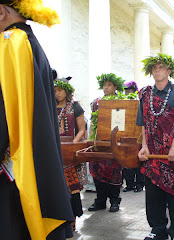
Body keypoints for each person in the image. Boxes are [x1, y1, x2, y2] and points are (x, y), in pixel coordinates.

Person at [0, 1, 74, 239]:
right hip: (33, 159)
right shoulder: (32, 45)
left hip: (12, 168)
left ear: (1, 12)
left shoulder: (10, 43)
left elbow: (3, 109)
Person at [137, 53, 174, 240]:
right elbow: (143, 122)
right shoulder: (145, 94)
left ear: (169, 71)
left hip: (173, 152)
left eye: (161, 67)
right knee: (153, 194)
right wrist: (144, 146)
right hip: (152, 153)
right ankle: (157, 230)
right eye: (154, 68)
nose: (158, 70)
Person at [88, 73, 126, 212]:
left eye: (109, 85)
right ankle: (100, 201)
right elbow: (93, 122)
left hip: (115, 142)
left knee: (115, 172)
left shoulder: (121, 101)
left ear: (115, 87)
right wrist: (92, 138)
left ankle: (115, 201)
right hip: (100, 141)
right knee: (97, 170)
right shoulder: (97, 102)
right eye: (104, 85)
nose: (106, 88)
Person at [54, 77, 86, 234]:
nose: (57, 94)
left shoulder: (75, 107)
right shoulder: (50, 106)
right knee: (57, 188)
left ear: (66, 91)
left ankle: (72, 222)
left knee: (71, 189)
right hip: (54, 152)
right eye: (54, 91)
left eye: (59, 90)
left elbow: (82, 129)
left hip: (71, 154)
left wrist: (73, 144)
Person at [122, 80, 145, 193]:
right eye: (126, 91)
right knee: (127, 161)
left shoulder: (139, 102)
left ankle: (139, 184)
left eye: (129, 90)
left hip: (138, 134)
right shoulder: (123, 103)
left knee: (138, 162)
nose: (127, 93)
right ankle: (129, 184)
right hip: (127, 135)